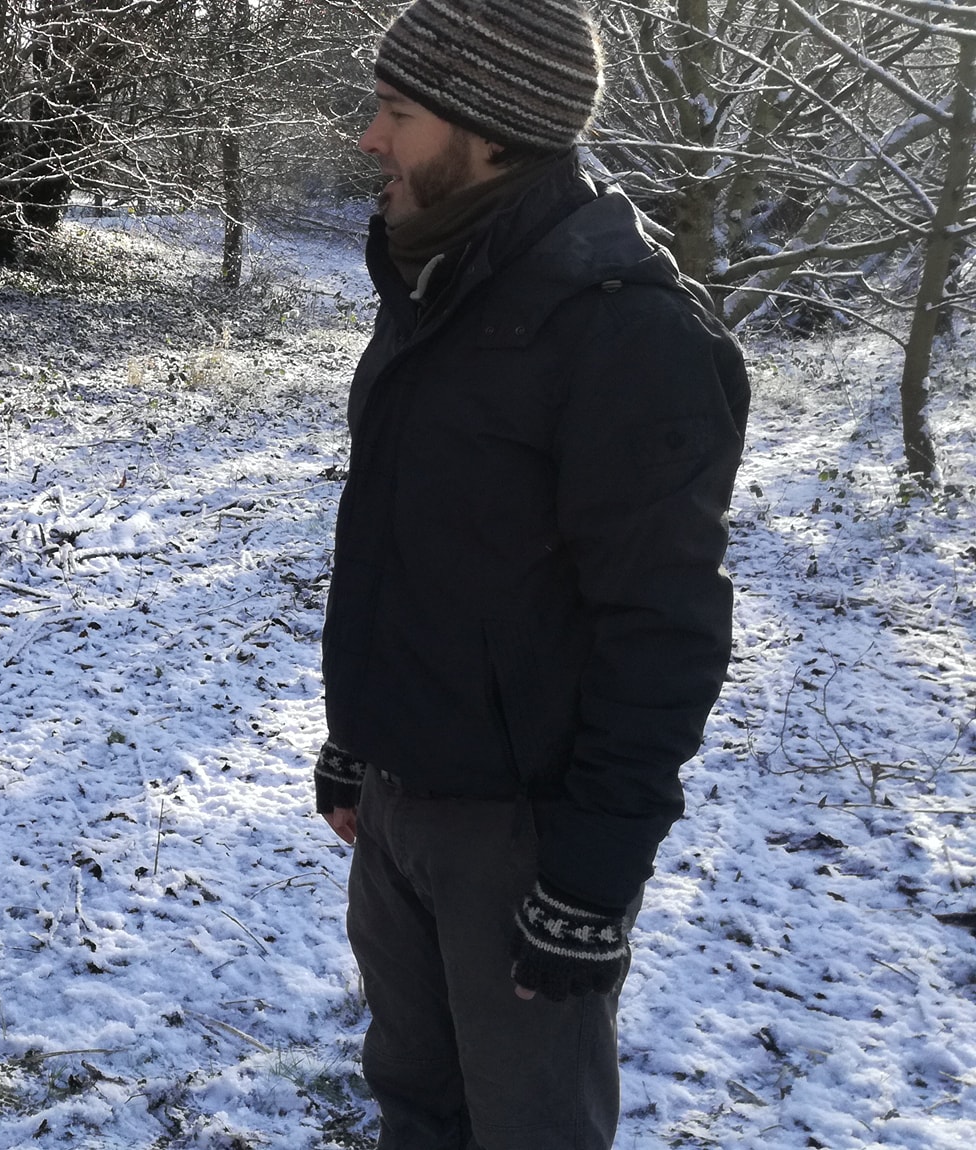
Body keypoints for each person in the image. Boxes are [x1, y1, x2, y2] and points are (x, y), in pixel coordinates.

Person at [311, 0, 750, 1146]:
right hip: (401, 804)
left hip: (524, 836)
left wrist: (589, 883)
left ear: (491, 132)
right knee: (412, 1103)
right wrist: (357, 738)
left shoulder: (621, 330)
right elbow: (402, 546)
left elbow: (662, 623)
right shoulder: (434, 284)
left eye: (396, 114)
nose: (368, 139)